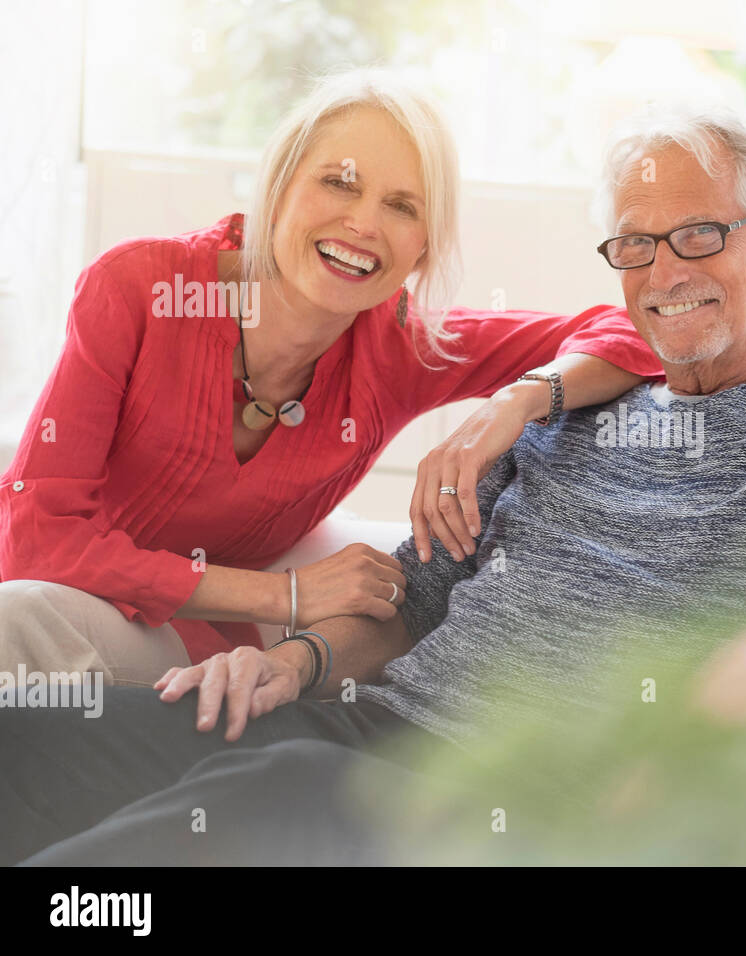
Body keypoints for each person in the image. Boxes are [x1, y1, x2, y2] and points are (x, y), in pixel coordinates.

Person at [0, 106, 746, 865]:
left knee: (234, 816)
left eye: (702, 234)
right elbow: (418, 599)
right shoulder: (582, 408)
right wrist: (290, 659)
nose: (664, 272)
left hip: (504, 800)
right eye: (634, 246)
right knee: (32, 734)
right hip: (365, 727)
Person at [0, 69, 661, 685]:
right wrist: (285, 596)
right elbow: (35, 537)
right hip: (64, 600)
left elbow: (633, 330)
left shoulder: (402, 346)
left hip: (206, 641)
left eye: (403, 206)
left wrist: (514, 403)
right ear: (280, 184)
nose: (365, 223)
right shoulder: (140, 290)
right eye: (339, 183)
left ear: (422, 247)